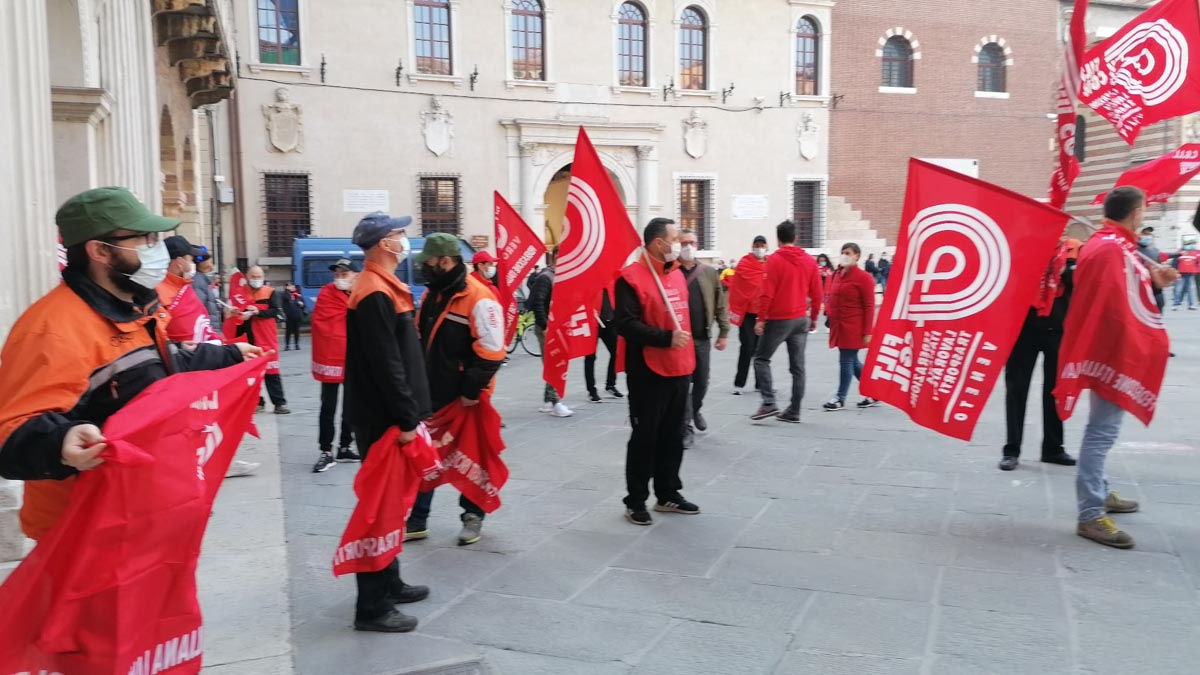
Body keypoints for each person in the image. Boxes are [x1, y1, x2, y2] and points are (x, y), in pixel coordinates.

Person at [0, 187, 260, 542]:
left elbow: (163, 362)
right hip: (83, 529)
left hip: (138, 512)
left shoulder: (136, 306)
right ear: (100, 251)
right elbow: (11, 432)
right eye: (144, 239)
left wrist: (229, 354)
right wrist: (61, 439)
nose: (156, 249)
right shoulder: (51, 329)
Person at [1058, 187, 1176, 548]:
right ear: (1138, 212)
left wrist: (1154, 279)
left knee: (1101, 429)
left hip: (1109, 351)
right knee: (1101, 432)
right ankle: (1091, 514)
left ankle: (1100, 492)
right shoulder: (1111, 247)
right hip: (1111, 353)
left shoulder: (1114, 244)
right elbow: (1112, 306)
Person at [343, 212, 432, 632]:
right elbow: (386, 364)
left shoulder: (384, 286)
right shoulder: (374, 291)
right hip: (384, 422)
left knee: (393, 507)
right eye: (399, 234)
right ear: (383, 243)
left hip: (391, 417)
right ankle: (373, 606)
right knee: (379, 510)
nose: (404, 239)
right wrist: (405, 417)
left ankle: (390, 582)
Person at [408, 233, 506, 546]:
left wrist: (471, 391)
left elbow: (492, 350)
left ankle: (472, 516)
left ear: (446, 261)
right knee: (427, 454)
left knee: (472, 457)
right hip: (432, 391)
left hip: (467, 397)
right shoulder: (431, 295)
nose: (425, 268)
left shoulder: (480, 297)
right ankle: (418, 519)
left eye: (429, 262)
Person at [615, 218, 698, 526]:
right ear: (658, 243)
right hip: (647, 371)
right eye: (676, 239)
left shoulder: (676, 274)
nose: (681, 244)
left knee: (673, 436)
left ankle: (668, 493)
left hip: (680, 367)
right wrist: (665, 338)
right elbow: (625, 324)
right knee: (645, 437)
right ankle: (635, 500)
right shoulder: (630, 278)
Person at [999, 240, 1078, 471]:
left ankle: (1053, 448)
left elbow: (1081, 287)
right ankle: (1011, 449)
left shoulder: (1071, 256)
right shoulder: (1020, 255)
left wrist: (1065, 271)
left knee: (1055, 391)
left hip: (1058, 330)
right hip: (1023, 331)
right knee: (1016, 390)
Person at [751, 221, 823, 423]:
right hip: (801, 318)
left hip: (779, 319)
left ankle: (768, 402)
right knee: (798, 367)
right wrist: (814, 318)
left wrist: (760, 319)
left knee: (761, 359)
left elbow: (767, 294)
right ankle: (795, 410)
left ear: (778, 239)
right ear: (796, 237)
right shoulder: (809, 261)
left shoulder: (773, 261)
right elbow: (818, 293)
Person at [678, 228, 729, 447]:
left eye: (692, 242)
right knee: (683, 384)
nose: (688, 246)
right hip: (679, 340)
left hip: (701, 337)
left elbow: (720, 303)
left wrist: (724, 332)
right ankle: (685, 426)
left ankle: (695, 409)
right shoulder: (670, 271)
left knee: (701, 381)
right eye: (683, 242)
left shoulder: (708, 272)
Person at [311, 259, 361, 473]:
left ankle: (344, 446)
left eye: (345, 273)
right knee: (328, 406)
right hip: (331, 357)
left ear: (355, 275)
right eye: (337, 274)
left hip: (354, 357)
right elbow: (323, 322)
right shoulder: (326, 294)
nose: (340, 278)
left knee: (352, 405)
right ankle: (325, 450)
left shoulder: (362, 293)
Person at [822, 243, 878, 411]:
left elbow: (869, 306)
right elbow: (832, 296)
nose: (844, 255)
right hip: (839, 325)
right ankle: (874, 391)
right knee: (852, 361)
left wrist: (868, 332)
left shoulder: (864, 278)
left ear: (857, 256)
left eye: (848, 253)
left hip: (854, 326)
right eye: (842, 252)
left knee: (846, 360)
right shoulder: (838, 274)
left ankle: (840, 397)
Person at [236, 266, 289, 414]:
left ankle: (279, 403)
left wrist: (257, 312)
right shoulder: (240, 294)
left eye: (259, 276)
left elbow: (275, 311)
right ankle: (257, 402)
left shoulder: (270, 292)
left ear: (263, 276)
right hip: (248, 338)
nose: (256, 279)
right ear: (247, 276)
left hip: (266, 336)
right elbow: (235, 313)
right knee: (252, 374)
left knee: (272, 372)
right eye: (253, 276)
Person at [528, 251, 573, 417]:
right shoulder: (546, 277)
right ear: (556, 257)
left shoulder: (556, 276)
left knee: (553, 362)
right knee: (553, 364)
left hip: (558, 328)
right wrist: (545, 326)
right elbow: (537, 303)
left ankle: (548, 400)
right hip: (548, 328)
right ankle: (555, 403)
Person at [158, 235, 222, 344]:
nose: (193, 264)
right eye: (191, 260)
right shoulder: (159, 293)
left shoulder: (185, 285)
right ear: (180, 262)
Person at [728, 236, 768, 394]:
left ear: (767, 247)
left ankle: (760, 383)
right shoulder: (744, 264)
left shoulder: (771, 264)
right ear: (752, 247)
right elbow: (737, 288)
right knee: (747, 347)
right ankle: (739, 383)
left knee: (761, 349)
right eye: (756, 246)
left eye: (762, 246)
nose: (759, 248)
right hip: (747, 313)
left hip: (763, 313)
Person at [584, 287, 622, 403]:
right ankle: (592, 390)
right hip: (593, 322)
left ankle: (610, 384)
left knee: (616, 353)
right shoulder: (589, 280)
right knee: (590, 357)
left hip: (610, 322)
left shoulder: (611, 280)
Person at [192, 248, 223, 328]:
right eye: (207, 267)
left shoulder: (205, 283)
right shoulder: (197, 283)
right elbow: (201, 309)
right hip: (207, 330)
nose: (212, 268)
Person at [1138, 227, 1164, 311]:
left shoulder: (1155, 251)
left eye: (1149, 234)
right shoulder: (1132, 250)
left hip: (1156, 288)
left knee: (1159, 305)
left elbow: (1160, 267)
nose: (1147, 236)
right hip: (1141, 288)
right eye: (1145, 234)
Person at [1172, 241, 1199, 310]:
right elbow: (1174, 263)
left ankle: (1191, 305)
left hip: (1190, 274)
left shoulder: (1194, 254)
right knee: (1178, 289)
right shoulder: (1179, 253)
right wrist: (1176, 272)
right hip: (1180, 274)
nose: (1189, 246)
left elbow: (1197, 263)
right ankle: (1175, 304)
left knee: (1190, 290)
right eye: (1188, 244)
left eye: (1191, 244)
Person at [283, 282, 306, 350]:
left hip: (297, 315)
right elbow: (287, 299)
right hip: (289, 316)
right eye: (290, 286)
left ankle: (297, 344)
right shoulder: (286, 295)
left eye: (293, 286)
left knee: (296, 331)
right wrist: (287, 290)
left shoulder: (298, 295)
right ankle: (287, 345)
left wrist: (302, 304)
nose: (292, 287)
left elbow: (304, 305)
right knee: (288, 331)